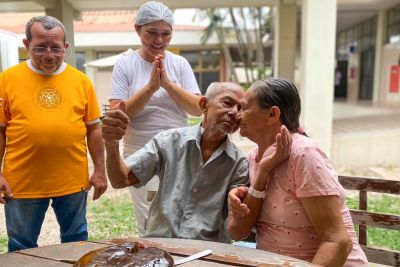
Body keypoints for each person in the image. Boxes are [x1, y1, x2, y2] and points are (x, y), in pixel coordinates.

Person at [227, 78, 368, 266]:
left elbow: (337, 242)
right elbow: (237, 232)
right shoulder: (254, 158)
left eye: (244, 108)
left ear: (272, 114)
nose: (238, 115)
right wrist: (262, 174)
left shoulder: (304, 154)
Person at [0, 16, 107, 252]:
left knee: (77, 243)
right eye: (40, 47)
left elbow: (94, 128)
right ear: (26, 45)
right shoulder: (6, 80)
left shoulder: (81, 81)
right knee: (21, 248)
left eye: (56, 49)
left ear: (66, 48)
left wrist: (100, 170)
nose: (49, 55)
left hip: (72, 182)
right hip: (21, 184)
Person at [102, 82, 247, 243]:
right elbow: (120, 180)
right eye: (227, 103)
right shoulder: (168, 141)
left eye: (241, 108)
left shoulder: (238, 164)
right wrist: (111, 143)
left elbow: (236, 227)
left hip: (208, 253)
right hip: (161, 245)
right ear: (204, 104)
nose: (235, 112)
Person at [109, 1, 202, 236]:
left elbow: (198, 109)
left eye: (165, 34)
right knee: (149, 215)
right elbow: (118, 113)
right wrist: (151, 87)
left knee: (181, 211)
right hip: (140, 149)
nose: (159, 40)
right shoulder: (125, 64)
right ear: (138, 29)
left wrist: (168, 84)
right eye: (151, 33)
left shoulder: (179, 64)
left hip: (179, 149)